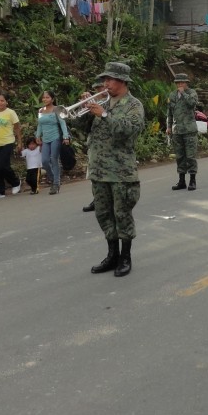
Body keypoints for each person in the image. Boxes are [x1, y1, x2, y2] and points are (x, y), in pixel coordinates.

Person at [75, 62, 145, 277]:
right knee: (104, 214)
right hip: (99, 170)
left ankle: (125, 257)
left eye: (109, 79)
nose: (105, 83)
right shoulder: (102, 102)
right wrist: (85, 108)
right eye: (104, 79)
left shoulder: (134, 105)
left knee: (122, 215)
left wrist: (104, 114)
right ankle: (112, 255)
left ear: (122, 81)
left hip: (121, 172)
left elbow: (129, 131)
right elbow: (81, 128)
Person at [166, 73, 199, 191]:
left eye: (182, 82)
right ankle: (181, 181)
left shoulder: (192, 93)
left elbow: (192, 103)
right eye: (178, 83)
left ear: (186, 83)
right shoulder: (172, 95)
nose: (180, 85)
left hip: (189, 130)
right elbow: (170, 112)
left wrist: (183, 93)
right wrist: (169, 127)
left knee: (190, 156)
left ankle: (192, 180)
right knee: (180, 156)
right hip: (177, 130)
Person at [36, 90, 70, 195]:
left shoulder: (57, 109)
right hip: (45, 139)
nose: (45, 99)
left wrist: (65, 136)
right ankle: (52, 178)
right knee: (45, 161)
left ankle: (56, 183)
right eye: (43, 97)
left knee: (54, 159)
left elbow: (62, 123)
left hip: (55, 137)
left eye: (47, 97)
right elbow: (40, 124)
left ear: (52, 99)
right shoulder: (41, 110)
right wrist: (37, 135)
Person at [80, 80, 104, 213]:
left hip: (109, 146)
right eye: (97, 89)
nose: (99, 91)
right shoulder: (93, 104)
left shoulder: (114, 103)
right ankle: (97, 199)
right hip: (94, 144)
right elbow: (84, 127)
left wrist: (102, 112)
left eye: (101, 87)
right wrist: (84, 107)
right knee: (93, 174)